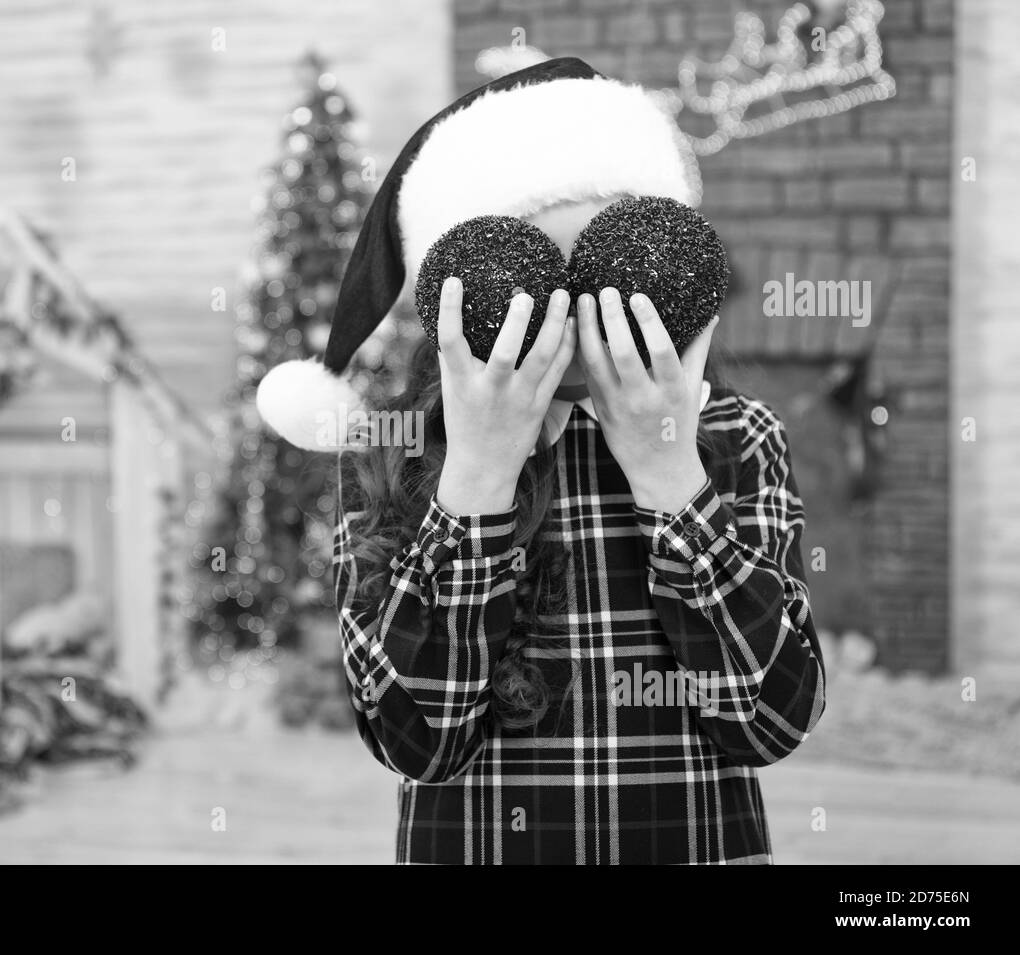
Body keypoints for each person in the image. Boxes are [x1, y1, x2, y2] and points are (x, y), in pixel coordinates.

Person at [257, 57, 825, 865]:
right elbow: (416, 741)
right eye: (527, 285)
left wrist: (669, 475)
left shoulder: (736, 434)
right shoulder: (393, 455)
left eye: (607, 275)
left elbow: (773, 717)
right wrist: (478, 475)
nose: (572, 325)